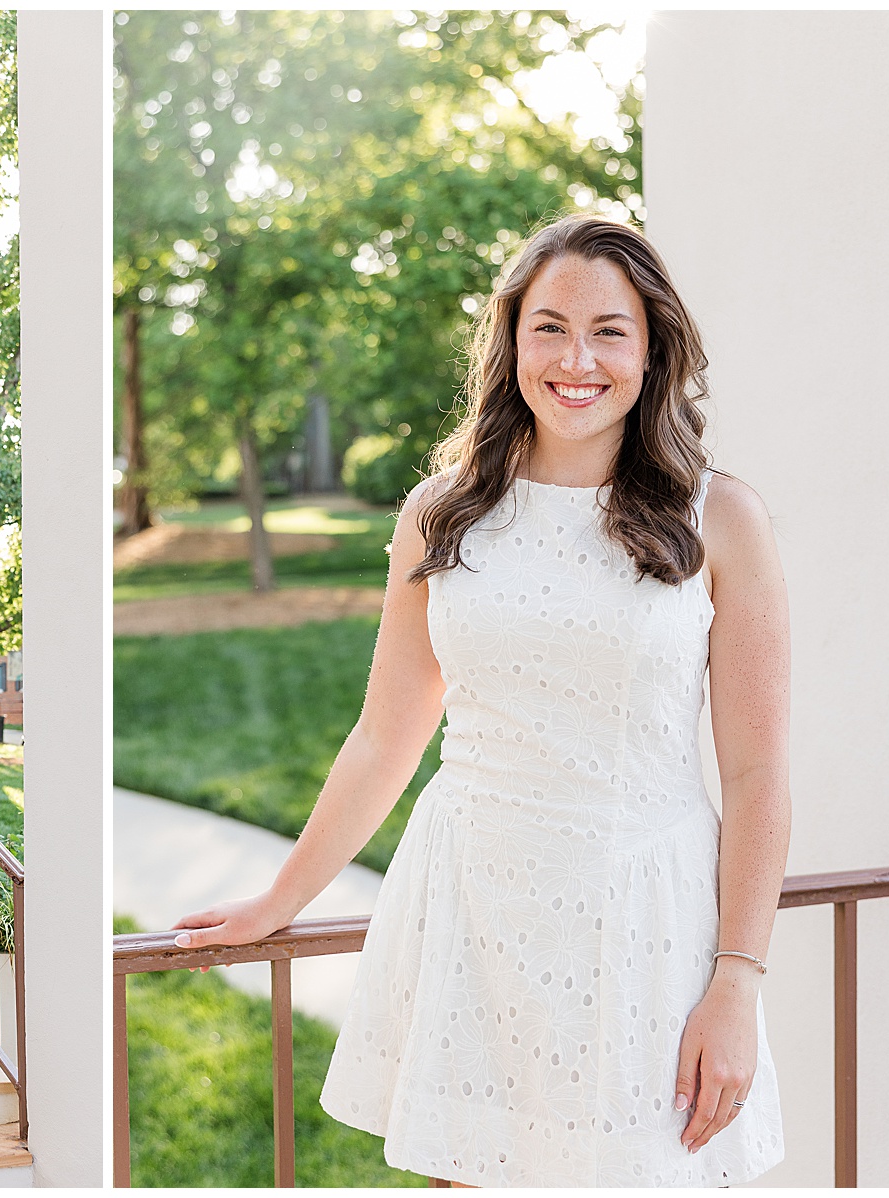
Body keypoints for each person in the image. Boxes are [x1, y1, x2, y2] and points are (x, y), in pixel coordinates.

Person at [172, 214, 789, 1186]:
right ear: (509, 341)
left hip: (643, 929)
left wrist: (737, 982)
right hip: (472, 915)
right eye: (547, 326)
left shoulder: (721, 519)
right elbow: (384, 737)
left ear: (651, 346)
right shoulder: (440, 512)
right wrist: (276, 901)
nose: (575, 357)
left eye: (608, 330)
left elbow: (756, 776)